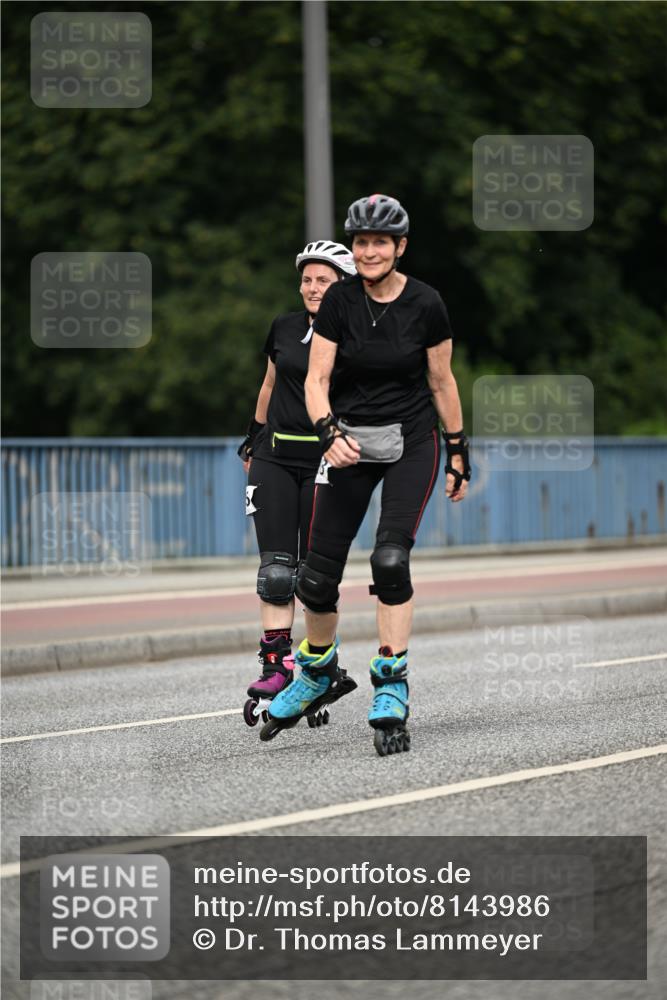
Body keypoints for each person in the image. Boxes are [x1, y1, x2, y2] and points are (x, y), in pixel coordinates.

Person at [261, 194, 470, 755]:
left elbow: (442, 381)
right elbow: (315, 379)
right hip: (349, 442)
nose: (370, 250)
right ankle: (317, 671)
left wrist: (457, 450)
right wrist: (330, 434)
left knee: (389, 559)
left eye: (381, 242)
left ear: (400, 247)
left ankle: (391, 683)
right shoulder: (339, 302)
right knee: (315, 577)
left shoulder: (427, 303)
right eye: (361, 242)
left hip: (410, 442)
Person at [238, 240, 357, 726]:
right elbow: (269, 385)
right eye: (307, 279)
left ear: (343, 286)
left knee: (311, 576)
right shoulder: (284, 327)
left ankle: (316, 665)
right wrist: (251, 438)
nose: (312, 287)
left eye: (323, 280)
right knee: (276, 570)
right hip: (274, 455)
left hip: (325, 459)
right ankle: (276, 666)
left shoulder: (356, 335)